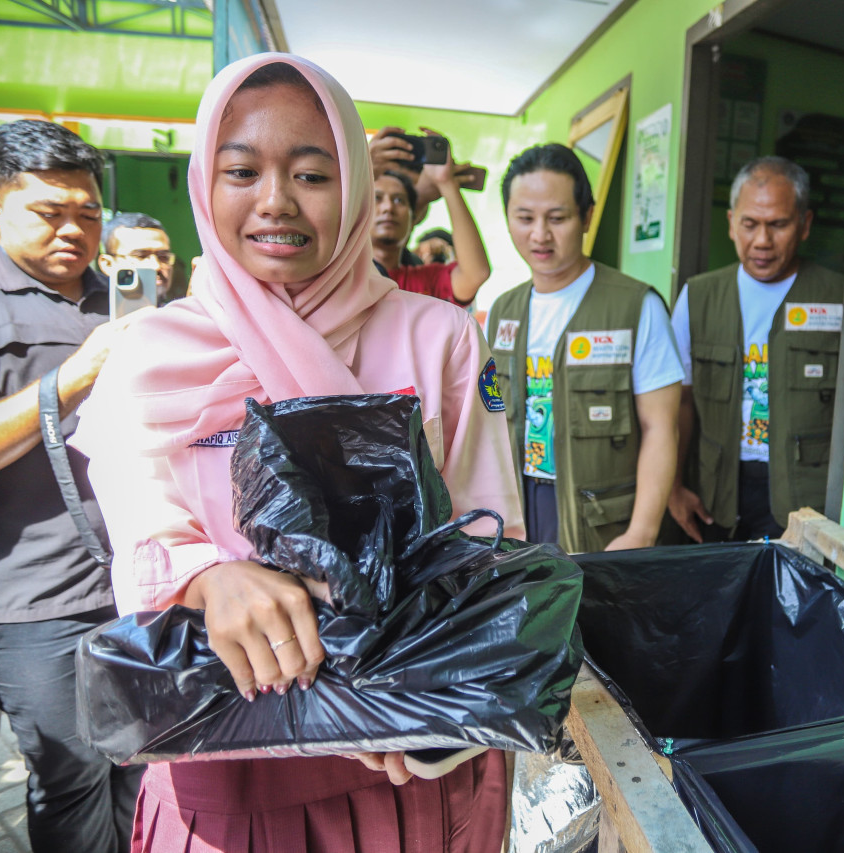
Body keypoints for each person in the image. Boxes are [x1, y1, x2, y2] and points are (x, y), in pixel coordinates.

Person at [72, 54, 522, 852]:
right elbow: (141, 524)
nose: (275, 201)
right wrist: (207, 574)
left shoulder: (439, 337)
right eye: (240, 170)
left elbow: (487, 544)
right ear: (204, 186)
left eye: (312, 175)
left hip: (404, 760)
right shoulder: (149, 352)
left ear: (352, 184)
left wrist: (433, 713)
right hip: (226, 764)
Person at [0, 119, 143, 852]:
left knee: (141, 770)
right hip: (32, 604)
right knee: (70, 782)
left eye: (88, 213)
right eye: (50, 212)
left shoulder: (122, 299)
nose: (74, 230)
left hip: (136, 584)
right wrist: (69, 381)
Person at [487, 143, 682, 554]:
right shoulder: (503, 311)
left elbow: (661, 426)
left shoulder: (636, 307)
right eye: (524, 218)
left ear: (587, 216)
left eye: (557, 218)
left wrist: (642, 533)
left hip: (602, 521)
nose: (540, 234)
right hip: (520, 511)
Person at [668, 156, 844, 542]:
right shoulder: (698, 296)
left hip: (806, 496)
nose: (762, 241)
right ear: (732, 223)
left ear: (805, 224)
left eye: (778, 225)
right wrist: (674, 487)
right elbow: (680, 400)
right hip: (717, 491)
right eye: (750, 224)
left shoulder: (839, 299)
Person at [370, 129, 490, 305]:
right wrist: (361, 169)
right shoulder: (339, 277)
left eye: (399, 200)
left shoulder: (426, 281)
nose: (388, 207)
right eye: (376, 198)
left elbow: (475, 273)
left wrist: (446, 183)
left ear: (414, 219)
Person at [98, 211, 177, 303]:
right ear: (108, 264)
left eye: (163, 257)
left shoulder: (182, 315)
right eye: (141, 256)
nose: (156, 266)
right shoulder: (88, 314)